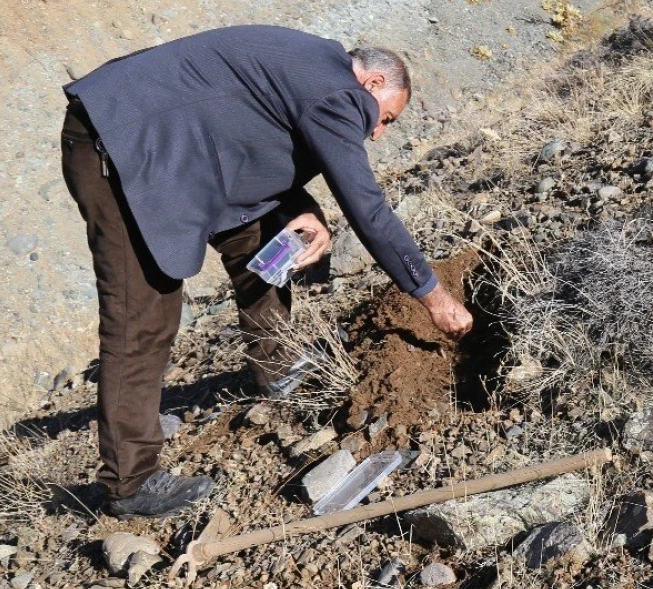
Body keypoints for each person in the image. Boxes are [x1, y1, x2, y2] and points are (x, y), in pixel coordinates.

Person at [60, 25, 474, 518]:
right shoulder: (339, 93)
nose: (377, 132)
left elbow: (246, 128)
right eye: (384, 118)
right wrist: (432, 294)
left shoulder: (310, 66)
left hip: (175, 145)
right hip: (121, 149)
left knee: (264, 237)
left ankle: (274, 365)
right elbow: (368, 209)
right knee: (142, 316)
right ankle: (130, 483)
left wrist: (301, 206)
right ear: (372, 84)